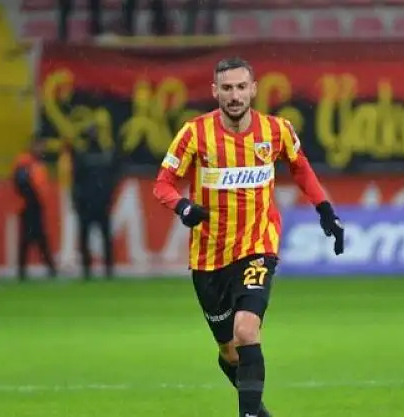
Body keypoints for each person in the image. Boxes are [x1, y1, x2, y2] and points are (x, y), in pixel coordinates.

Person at [153, 57, 344, 417]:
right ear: (215, 91)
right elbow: (163, 184)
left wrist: (324, 209)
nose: (235, 95)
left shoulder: (277, 130)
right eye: (227, 88)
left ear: (254, 89)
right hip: (209, 257)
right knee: (230, 352)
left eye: (241, 87)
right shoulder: (194, 133)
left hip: (258, 247)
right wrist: (183, 207)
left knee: (246, 330)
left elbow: (300, 167)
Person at [71, 127, 118, 279]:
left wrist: (77, 202)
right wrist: (108, 199)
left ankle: (88, 269)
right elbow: (112, 180)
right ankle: (107, 269)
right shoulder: (105, 157)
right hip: (99, 203)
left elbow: (76, 182)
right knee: (104, 237)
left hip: (88, 204)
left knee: (86, 237)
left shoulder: (82, 157)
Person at [13, 140, 57, 281]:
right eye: (40, 146)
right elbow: (21, 182)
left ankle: (48, 268)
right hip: (29, 205)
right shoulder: (25, 162)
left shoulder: (36, 163)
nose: (42, 149)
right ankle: (26, 270)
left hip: (36, 204)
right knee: (30, 239)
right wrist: (31, 198)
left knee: (37, 239)